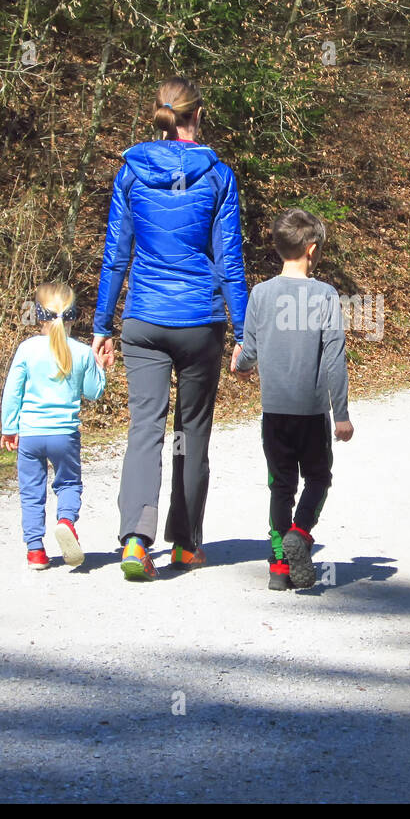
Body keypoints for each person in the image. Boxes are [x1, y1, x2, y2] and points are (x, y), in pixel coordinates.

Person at [93, 76, 249, 581]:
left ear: (157, 114)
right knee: (192, 432)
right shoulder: (219, 175)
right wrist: (244, 330)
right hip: (199, 322)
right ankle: (185, 544)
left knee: (145, 429)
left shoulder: (131, 173)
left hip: (142, 319)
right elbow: (229, 263)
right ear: (197, 115)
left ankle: (136, 542)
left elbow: (116, 255)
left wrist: (101, 324)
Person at [232, 208, 353, 590]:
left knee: (280, 485)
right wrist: (342, 415)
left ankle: (279, 568)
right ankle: (300, 533)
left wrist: (240, 365)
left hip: (275, 413)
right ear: (312, 249)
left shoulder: (260, 294)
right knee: (318, 477)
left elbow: (248, 353)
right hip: (312, 412)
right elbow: (334, 358)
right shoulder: (325, 295)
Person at [1, 282, 106, 570]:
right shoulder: (82, 352)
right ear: (73, 316)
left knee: (31, 491)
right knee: (69, 483)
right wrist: (100, 367)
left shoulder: (27, 349)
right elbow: (93, 392)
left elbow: (13, 392)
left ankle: (35, 550)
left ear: (38, 315)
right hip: (64, 434)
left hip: (30, 434)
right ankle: (65, 522)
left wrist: (9, 427)